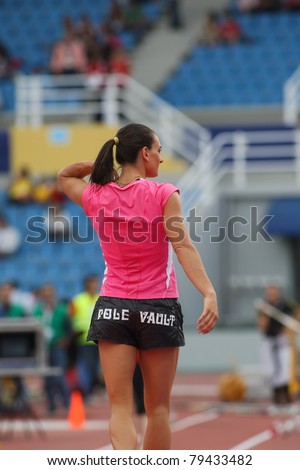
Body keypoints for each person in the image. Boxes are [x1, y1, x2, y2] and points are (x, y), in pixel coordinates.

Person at [57, 123, 218, 450]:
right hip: (158, 306)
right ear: (145, 153)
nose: (160, 157)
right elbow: (183, 246)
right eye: (158, 150)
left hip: (113, 307)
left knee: (119, 408)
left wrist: (102, 163)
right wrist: (208, 292)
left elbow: (64, 176)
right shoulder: (163, 193)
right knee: (158, 409)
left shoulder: (96, 195)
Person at [257, 283, 298, 407]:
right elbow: (262, 327)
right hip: (270, 341)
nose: (272, 294)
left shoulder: (286, 305)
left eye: (274, 291)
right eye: (269, 292)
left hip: (282, 341)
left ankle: (287, 395)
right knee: (270, 369)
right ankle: (276, 396)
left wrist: (288, 330)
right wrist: (266, 312)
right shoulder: (264, 307)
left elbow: (296, 316)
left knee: (285, 368)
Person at [33, 284, 71, 415]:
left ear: (54, 294)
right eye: (45, 292)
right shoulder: (38, 310)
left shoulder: (62, 310)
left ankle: (67, 405)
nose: (47, 295)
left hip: (57, 347)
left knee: (60, 376)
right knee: (46, 378)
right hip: (43, 349)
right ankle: (51, 406)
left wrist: (65, 341)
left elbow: (69, 329)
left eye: (50, 292)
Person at [69, 275, 104, 400]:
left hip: (100, 340)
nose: (95, 286)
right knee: (86, 367)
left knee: (98, 368)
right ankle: (86, 392)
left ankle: (95, 390)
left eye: (96, 283)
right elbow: (71, 318)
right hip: (84, 340)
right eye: (92, 283)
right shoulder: (77, 300)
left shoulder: (101, 298)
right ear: (86, 285)